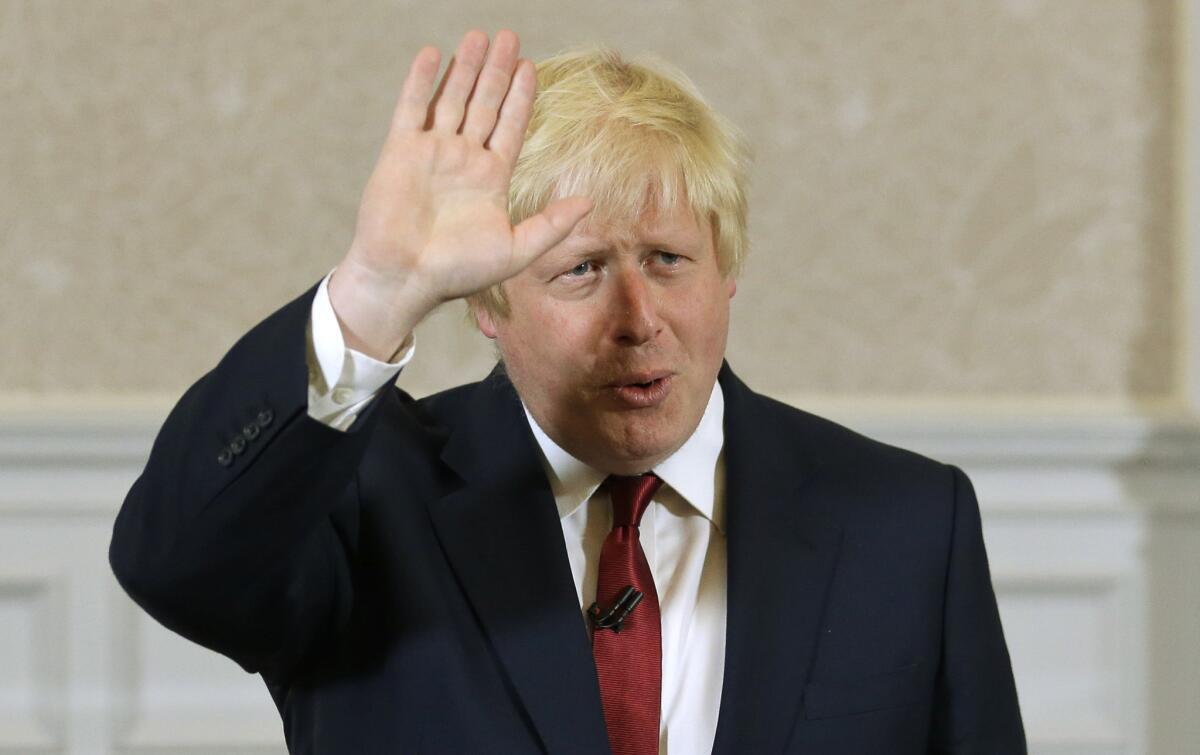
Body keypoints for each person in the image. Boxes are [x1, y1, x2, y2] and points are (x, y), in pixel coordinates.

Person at [109, 29, 1026, 754]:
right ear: (487, 302)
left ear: (729, 269)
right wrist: (374, 292)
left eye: (669, 260)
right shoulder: (361, 498)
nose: (639, 319)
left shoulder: (908, 521)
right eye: (581, 269)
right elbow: (173, 561)